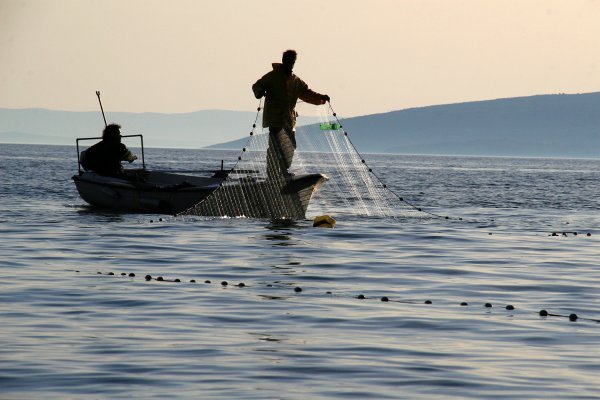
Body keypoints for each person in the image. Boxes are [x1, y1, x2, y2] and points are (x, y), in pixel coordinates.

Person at [252, 49, 330, 179]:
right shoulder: (272, 76)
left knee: (290, 146)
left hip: (289, 120)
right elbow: (256, 86)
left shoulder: (295, 80)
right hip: (275, 119)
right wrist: (260, 92)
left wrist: (321, 98)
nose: (291, 64)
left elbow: (307, 93)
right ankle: (272, 175)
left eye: (293, 62)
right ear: (284, 61)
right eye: (289, 61)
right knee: (275, 147)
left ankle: (283, 171)